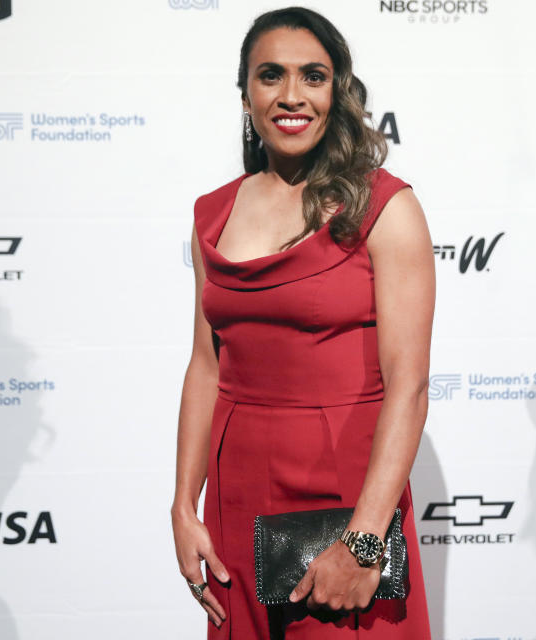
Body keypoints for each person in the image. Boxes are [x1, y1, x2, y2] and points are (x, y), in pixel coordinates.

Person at [171, 7, 435, 639]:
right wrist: (184, 505)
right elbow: (206, 365)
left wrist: (365, 542)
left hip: (344, 504)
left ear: (335, 92)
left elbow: (410, 385)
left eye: (312, 77)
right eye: (271, 76)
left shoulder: (384, 207)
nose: (292, 96)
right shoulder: (211, 213)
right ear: (245, 96)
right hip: (236, 502)